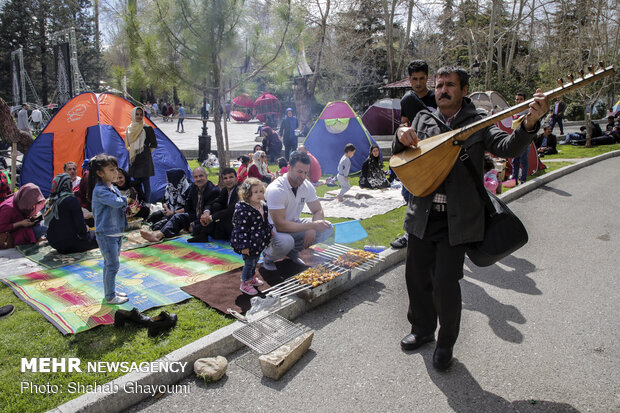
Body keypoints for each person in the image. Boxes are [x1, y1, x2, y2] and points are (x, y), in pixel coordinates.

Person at [392, 65, 548, 371]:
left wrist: (530, 123)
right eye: (439, 86)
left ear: (464, 90)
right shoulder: (424, 118)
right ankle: (422, 330)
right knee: (416, 278)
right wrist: (400, 134)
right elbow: (400, 154)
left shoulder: (479, 123)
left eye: (449, 85)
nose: (442, 91)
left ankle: (445, 343)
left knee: (446, 285)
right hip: (422, 216)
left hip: (457, 221)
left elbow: (508, 148)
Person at [391, 60, 438, 250]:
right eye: (414, 79)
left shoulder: (436, 98)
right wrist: (402, 132)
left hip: (434, 153)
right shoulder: (407, 100)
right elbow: (404, 123)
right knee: (407, 193)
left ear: (428, 78)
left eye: (421, 78)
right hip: (413, 152)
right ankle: (410, 233)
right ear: (409, 79)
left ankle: (419, 234)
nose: (418, 83)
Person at [262, 151, 333, 270]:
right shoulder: (277, 189)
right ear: (289, 168)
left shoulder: (306, 185)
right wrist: (312, 225)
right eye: (299, 171)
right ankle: (268, 256)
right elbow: (280, 225)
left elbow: (317, 210)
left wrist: (312, 228)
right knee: (286, 242)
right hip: (272, 230)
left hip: (293, 224)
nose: (303, 176)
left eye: (306, 172)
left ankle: (292, 252)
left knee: (327, 227)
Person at [88, 154, 129, 305]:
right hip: (106, 233)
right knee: (112, 265)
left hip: (115, 232)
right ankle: (110, 296)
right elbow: (117, 203)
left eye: (116, 169)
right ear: (100, 173)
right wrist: (127, 200)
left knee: (110, 264)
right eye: (111, 170)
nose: (116, 173)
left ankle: (110, 290)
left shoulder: (111, 187)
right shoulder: (100, 190)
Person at [140, 167, 219, 242]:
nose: (198, 179)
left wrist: (193, 223)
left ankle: (189, 227)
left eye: (201, 176)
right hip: (194, 215)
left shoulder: (213, 190)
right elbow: (188, 205)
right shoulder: (194, 188)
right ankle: (158, 236)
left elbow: (211, 209)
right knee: (177, 217)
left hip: (207, 219)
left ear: (206, 176)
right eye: (196, 177)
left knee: (194, 228)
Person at [231, 178, 272, 295]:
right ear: (247, 194)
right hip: (248, 242)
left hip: (259, 241)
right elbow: (240, 229)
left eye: (261, 191)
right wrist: (244, 246)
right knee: (249, 263)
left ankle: (252, 277)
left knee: (255, 260)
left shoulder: (263, 206)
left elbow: (264, 222)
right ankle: (245, 283)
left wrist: (269, 231)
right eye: (256, 192)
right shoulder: (243, 210)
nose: (259, 194)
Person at [44, 173, 98, 254]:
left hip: (53, 241)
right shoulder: (71, 200)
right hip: (69, 243)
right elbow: (80, 227)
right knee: (99, 237)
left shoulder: (50, 201)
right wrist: (86, 230)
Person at [190, 167, 239, 242]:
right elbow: (215, 202)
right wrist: (207, 212)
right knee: (216, 206)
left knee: (202, 228)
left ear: (236, 178)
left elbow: (231, 210)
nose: (228, 180)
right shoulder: (225, 190)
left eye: (231, 177)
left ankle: (204, 234)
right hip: (227, 221)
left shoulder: (240, 190)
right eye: (225, 178)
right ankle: (203, 235)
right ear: (222, 181)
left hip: (239, 223)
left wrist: (211, 217)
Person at [125, 106, 158, 203]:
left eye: (141, 114)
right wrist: (134, 151)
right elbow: (128, 145)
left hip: (144, 159)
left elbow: (154, 144)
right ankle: (138, 204)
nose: (139, 117)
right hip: (134, 158)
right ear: (133, 115)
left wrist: (145, 150)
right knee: (136, 184)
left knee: (146, 183)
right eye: (137, 114)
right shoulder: (129, 129)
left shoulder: (147, 128)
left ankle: (147, 204)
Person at [511, 92, 530, 185]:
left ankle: (523, 179)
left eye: (520, 99)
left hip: (525, 139)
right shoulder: (514, 110)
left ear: (524, 100)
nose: (518, 101)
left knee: (524, 159)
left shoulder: (527, 111)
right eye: (517, 99)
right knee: (515, 160)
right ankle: (514, 179)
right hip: (516, 138)